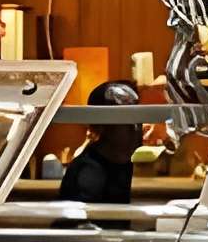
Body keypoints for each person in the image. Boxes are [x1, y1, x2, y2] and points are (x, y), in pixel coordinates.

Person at [57, 79, 148, 209]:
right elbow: (85, 219)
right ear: (101, 125)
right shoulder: (90, 171)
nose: (135, 128)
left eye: (138, 119)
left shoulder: (121, 161)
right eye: (125, 120)